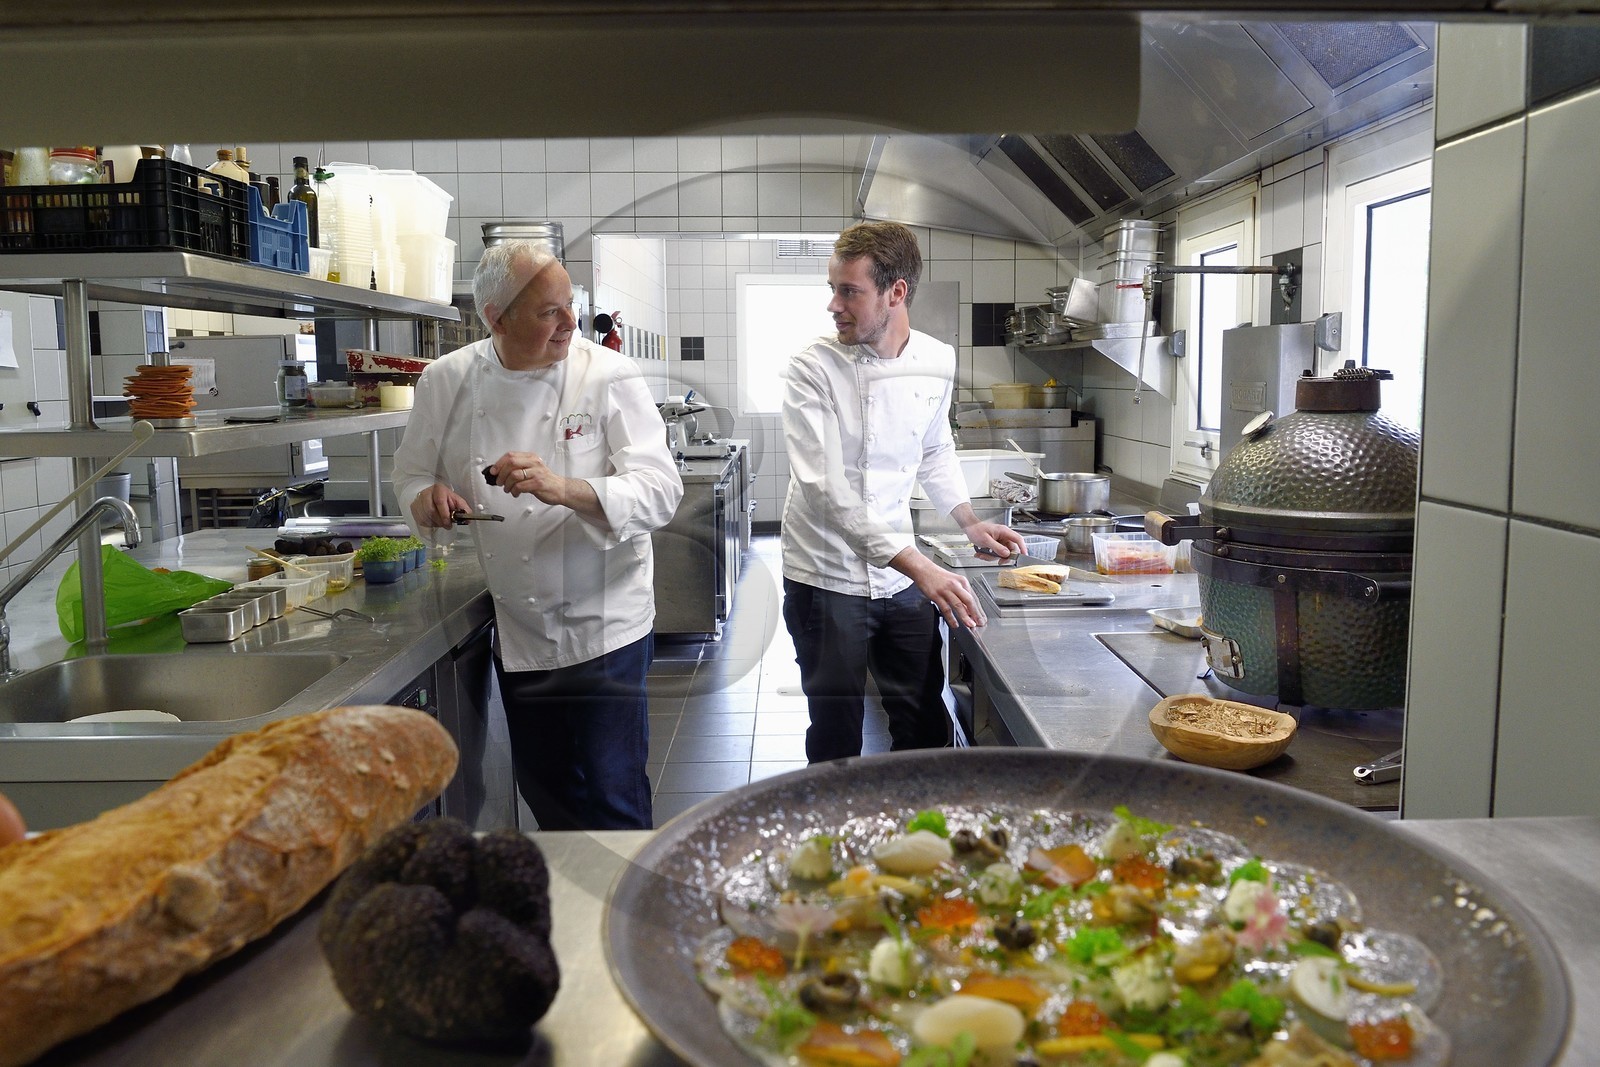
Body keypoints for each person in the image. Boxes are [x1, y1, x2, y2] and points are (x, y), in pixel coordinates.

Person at [393, 240, 683, 830]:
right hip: (521, 627)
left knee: (612, 792)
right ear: (495, 319)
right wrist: (425, 499)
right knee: (545, 790)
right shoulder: (447, 381)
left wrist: (563, 488)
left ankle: (627, 914)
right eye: (549, 311)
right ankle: (573, 910)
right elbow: (411, 472)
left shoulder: (606, 374)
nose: (571, 324)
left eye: (570, 305)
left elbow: (660, 490)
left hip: (607, 620)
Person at [781, 221, 1027, 764]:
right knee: (836, 731)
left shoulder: (937, 359)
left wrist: (968, 520)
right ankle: (834, 840)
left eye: (849, 291)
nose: (833, 305)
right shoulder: (811, 369)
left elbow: (935, 448)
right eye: (833, 288)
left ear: (896, 292)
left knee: (921, 718)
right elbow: (827, 491)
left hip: (900, 577)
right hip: (826, 575)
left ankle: (920, 839)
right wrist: (923, 567)